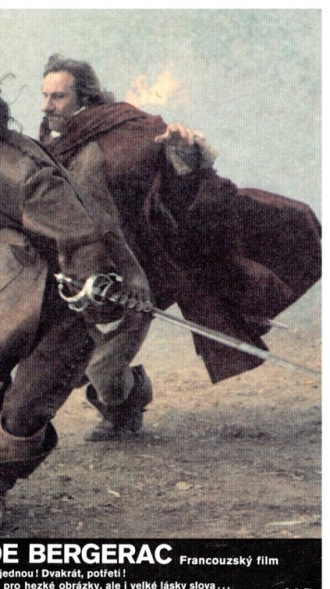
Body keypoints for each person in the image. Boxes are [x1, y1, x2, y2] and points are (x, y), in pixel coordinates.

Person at [0, 60, 151, 537]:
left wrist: (91, 289)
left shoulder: (19, 170)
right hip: (17, 283)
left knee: (25, 410)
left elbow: (85, 232)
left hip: (68, 301)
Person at [34, 54, 321, 399]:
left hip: (141, 273)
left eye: (58, 96)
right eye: (45, 96)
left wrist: (182, 150)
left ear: (85, 96)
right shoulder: (52, 141)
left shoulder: (126, 127)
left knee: (104, 373)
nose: (46, 106)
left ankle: (132, 401)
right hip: (85, 273)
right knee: (68, 359)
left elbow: (174, 182)